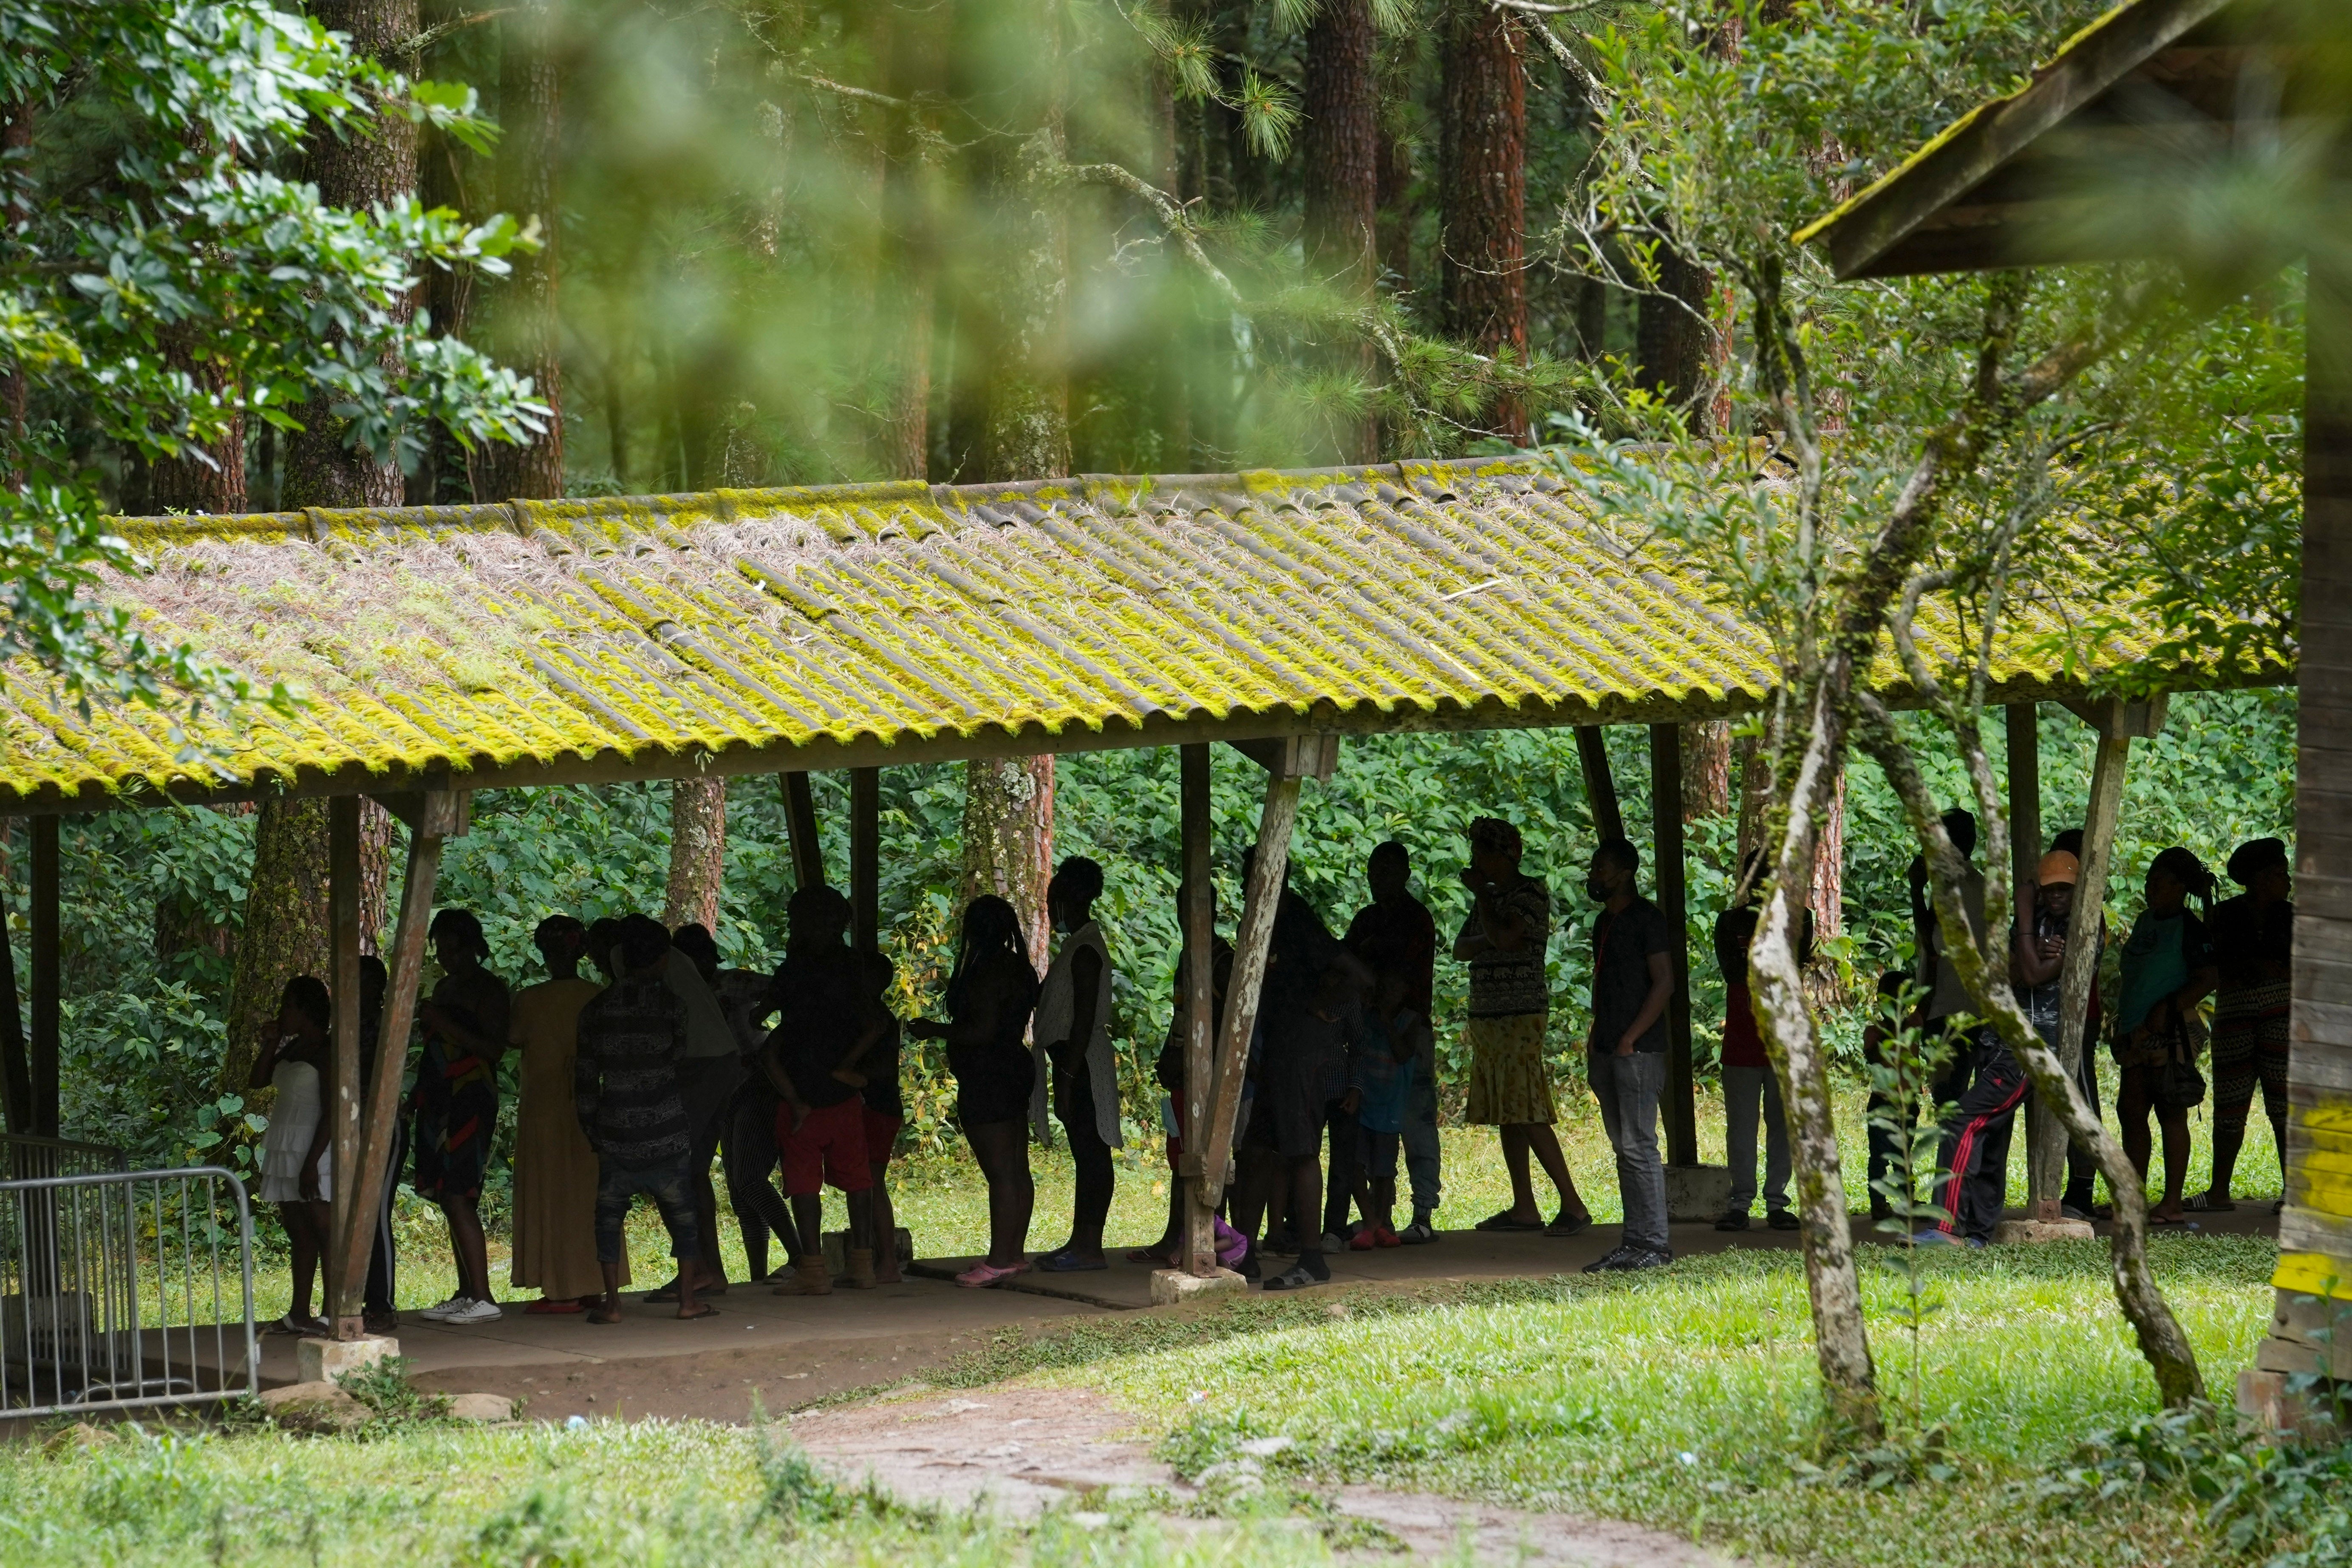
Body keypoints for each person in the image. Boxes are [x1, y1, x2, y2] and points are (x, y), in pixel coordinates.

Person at [574, 914, 713, 1323]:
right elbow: (677, 1058)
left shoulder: (596, 1010)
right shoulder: (674, 1007)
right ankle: (688, 1301)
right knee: (683, 1216)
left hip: (615, 1129)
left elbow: (585, 1078)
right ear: (663, 959)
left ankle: (614, 1305)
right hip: (667, 1128)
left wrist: (591, 1127)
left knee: (609, 1217)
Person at [1455, 818, 1588, 1239]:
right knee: (1507, 1112)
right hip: (1490, 1017)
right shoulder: (1492, 898)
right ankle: (1525, 1207)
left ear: (1504, 854)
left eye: (1482, 852)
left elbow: (1510, 939)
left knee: (1526, 1109)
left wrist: (1486, 912)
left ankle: (1573, 1204)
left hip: (1519, 1013)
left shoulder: (1529, 892)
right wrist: (1489, 924)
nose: (1476, 860)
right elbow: (1462, 947)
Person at [761, 886, 889, 1295]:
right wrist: (847, 1067)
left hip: (800, 1094)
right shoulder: (852, 967)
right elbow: (874, 1026)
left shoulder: (794, 969)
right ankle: (862, 1265)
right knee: (859, 1180)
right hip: (843, 1094)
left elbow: (767, 1024)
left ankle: (813, 1268)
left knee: (802, 1182)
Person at [908, 896, 1040, 1288]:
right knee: (1016, 1167)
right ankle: (1012, 1254)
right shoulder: (1019, 966)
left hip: (988, 1073)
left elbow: (981, 1032)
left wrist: (935, 1030)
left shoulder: (987, 971)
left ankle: (1000, 1259)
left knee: (1000, 1172)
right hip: (1014, 1066)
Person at [1238, 897, 1367, 1291]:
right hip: (1278, 1050)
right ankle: (1244, 1255)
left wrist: (1317, 1006)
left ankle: (1311, 1259)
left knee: (1300, 1151)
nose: (1247, 891)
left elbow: (1359, 976)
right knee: (1256, 1151)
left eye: (1250, 881)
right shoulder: (1268, 924)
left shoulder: (1296, 921)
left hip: (1300, 1053)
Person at [507, 915, 613, 1314]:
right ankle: (592, 1284)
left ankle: (560, 1289)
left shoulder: (530, 1000)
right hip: (593, 1103)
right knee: (590, 1194)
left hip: (546, 1106)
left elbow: (514, 1038)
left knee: (551, 1192)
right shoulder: (598, 994)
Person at [1133, 881, 1239, 1268]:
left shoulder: (1222, 959)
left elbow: (1230, 1023)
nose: (1185, 916)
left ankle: (1205, 1237)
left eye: (1193, 907)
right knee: (1179, 1155)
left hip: (1208, 1075)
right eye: (1181, 906)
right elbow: (1182, 1018)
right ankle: (1174, 1235)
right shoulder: (1187, 956)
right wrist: (1170, 1055)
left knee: (1207, 1159)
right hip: (1184, 1071)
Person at [411, 909, 509, 1326]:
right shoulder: (446, 988)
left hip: (471, 1099)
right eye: (441, 949)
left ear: (473, 946)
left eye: (454, 948)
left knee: (459, 1194)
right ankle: (466, 1291)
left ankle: (484, 1297)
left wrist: (444, 1023)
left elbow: (493, 1050)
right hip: (438, 1101)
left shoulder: (490, 989)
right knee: (446, 1197)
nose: (447, 957)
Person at [1580, 836, 1674, 1271]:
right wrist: (1600, 1036)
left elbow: (1664, 984)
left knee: (1640, 1147)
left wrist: (1631, 1037)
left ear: (1625, 874)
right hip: (1607, 1047)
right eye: (1594, 868)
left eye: (1603, 869)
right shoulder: (1604, 924)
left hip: (1638, 1052)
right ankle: (1633, 1241)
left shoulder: (1647, 919)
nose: (1595, 876)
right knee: (1624, 1148)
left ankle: (1654, 1244)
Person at [1343, 841, 1443, 1242]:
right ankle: (1380, 1218)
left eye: (1385, 872)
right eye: (1372, 873)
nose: (1376, 881)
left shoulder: (1415, 919)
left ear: (1403, 874)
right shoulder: (1372, 919)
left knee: (1415, 1123)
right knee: (1374, 1129)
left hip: (1408, 1029)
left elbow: (1390, 971)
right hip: (1374, 1030)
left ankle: (1422, 1215)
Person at [2113, 847, 2219, 1226]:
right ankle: (2133, 1198)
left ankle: (2171, 1202)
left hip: (2167, 1034)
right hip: (2134, 1031)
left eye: (2159, 881)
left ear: (2180, 888)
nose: (2150, 886)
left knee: (2170, 1111)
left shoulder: (2189, 928)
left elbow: (2208, 977)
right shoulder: (2145, 921)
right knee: (2131, 1111)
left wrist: (2167, 1007)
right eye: (2149, 879)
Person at [2010, 849, 2107, 1221]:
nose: (2055, 897)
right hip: (2028, 1031)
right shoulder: (2034, 920)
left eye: (2064, 891)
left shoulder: (2086, 923)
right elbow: (2010, 971)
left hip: (2070, 1032)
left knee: (2078, 1106)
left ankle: (2081, 1193)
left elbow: (2032, 975)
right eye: (2049, 891)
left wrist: (2028, 952)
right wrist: (2032, 950)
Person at [2198, 837, 2292, 1211]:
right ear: (2262, 879)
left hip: (2275, 1016)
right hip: (2238, 1016)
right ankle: (2218, 1190)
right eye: (2281, 875)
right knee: (2230, 1104)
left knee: (2283, 1105)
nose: (2287, 882)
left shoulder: (2292, 916)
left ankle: (2293, 1192)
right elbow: (2218, 962)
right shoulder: (2225, 915)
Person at [1712, 856, 1805, 1232]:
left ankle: (1776, 1202)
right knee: (1742, 1125)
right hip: (1741, 1037)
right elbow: (1734, 972)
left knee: (1782, 1124)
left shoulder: (1800, 919)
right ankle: (1741, 1202)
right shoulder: (1729, 921)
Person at [1036, 858, 1121, 1272]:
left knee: (1092, 1152)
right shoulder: (1076, 944)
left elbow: (1083, 1021)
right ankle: (1081, 1240)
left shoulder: (1086, 949)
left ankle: (1090, 1245)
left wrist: (1067, 1078)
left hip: (1083, 1064)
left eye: (1054, 897)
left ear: (1070, 897)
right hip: (1076, 1063)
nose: (1050, 906)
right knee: (1086, 1150)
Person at [654, 920, 744, 1303]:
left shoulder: (646, 967)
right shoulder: (693, 979)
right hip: (723, 1064)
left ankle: (699, 1271)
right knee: (692, 1173)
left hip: (699, 1067)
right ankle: (709, 1271)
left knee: (671, 1171)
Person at [253, 976, 334, 1336]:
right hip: (286, 1140)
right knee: (298, 1231)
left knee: (325, 1229)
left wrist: (313, 1163)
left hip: (315, 1145)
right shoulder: (293, 1047)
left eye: (288, 1006)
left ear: (306, 1011)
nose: (282, 1013)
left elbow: (332, 1110)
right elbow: (257, 1080)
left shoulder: (327, 1050)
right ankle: (299, 1311)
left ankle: (335, 1310)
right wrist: (271, 1043)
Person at [1349, 970, 1428, 1248]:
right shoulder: (1363, 1014)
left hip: (1390, 1107)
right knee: (1355, 1165)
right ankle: (1371, 1221)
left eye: (1396, 990)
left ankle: (1378, 1223)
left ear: (1404, 992)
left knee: (1384, 1170)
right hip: (1362, 1100)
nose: (1389, 995)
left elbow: (1403, 1053)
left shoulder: (1410, 1019)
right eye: (1385, 989)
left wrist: (1386, 1021)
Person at [356, 954, 400, 1333]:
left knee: (377, 1213)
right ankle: (359, 1298)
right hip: (351, 1126)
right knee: (356, 1214)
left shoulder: (385, 1025)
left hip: (384, 1125)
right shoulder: (347, 1026)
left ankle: (383, 1304)